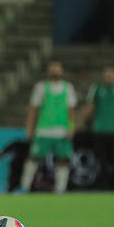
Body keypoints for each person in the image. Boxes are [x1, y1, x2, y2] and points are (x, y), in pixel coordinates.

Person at [21, 61, 76, 194]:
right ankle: (24, 187)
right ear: (48, 72)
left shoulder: (68, 88)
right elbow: (33, 109)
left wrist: (71, 127)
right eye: (52, 69)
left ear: (62, 72)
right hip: (43, 130)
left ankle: (60, 189)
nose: (55, 72)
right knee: (33, 158)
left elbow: (71, 110)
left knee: (63, 161)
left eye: (57, 69)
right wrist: (29, 127)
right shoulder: (41, 87)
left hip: (62, 131)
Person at [80, 66, 114, 134]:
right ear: (104, 76)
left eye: (112, 74)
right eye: (107, 75)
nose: (109, 76)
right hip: (100, 128)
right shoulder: (96, 88)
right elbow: (90, 107)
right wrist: (82, 120)